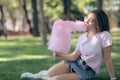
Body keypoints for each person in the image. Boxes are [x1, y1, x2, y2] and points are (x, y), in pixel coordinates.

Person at [21, 10, 116, 80]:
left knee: (55, 79)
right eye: (87, 18)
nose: (86, 21)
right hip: (75, 63)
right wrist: (60, 55)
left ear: (98, 24)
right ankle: (36, 75)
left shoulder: (104, 36)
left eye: (91, 20)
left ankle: (46, 78)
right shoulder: (82, 37)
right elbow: (74, 56)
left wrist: (112, 78)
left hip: (87, 71)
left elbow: (108, 58)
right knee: (50, 73)